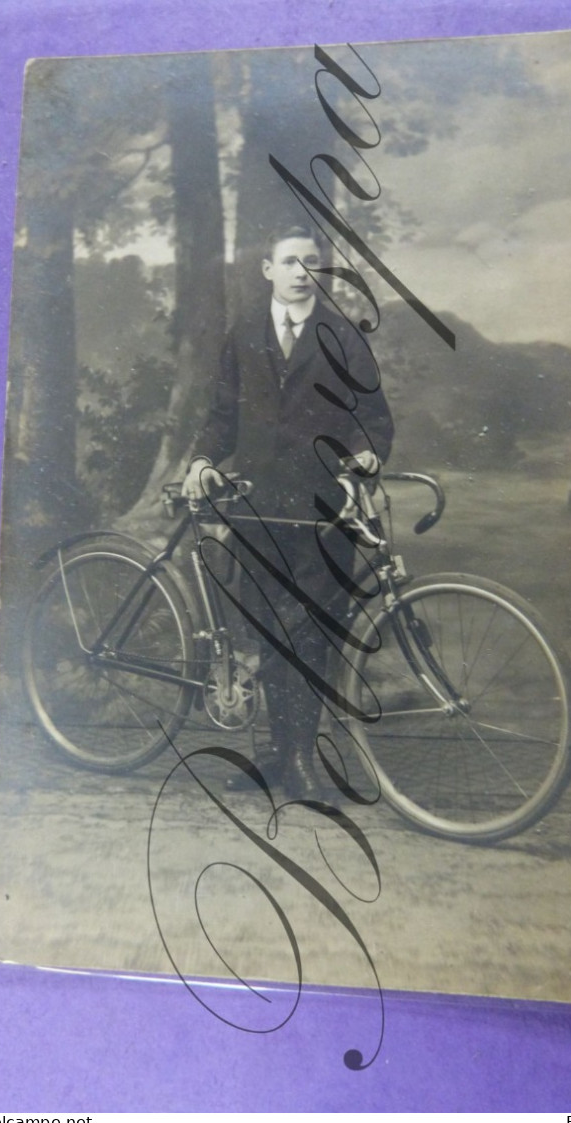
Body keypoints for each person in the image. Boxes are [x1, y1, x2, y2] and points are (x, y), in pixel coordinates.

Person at [183, 224, 394, 796]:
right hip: (259, 506)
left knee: (311, 632)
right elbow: (222, 412)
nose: (304, 271)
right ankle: (276, 755)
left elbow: (371, 417)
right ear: (268, 270)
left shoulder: (342, 336)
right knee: (268, 624)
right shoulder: (245, 332)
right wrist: (204, 459)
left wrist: (369, 455)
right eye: (291, 261)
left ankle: (301, 758)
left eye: (313, 261)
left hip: (324, 509)